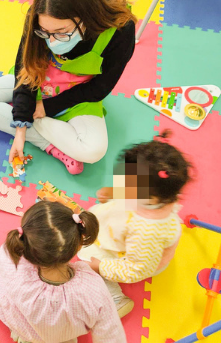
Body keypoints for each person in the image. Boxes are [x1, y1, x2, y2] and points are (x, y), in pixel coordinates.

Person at [0, 0, 137, 175]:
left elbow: (100, 88)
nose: (52, 41)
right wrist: (21, 127)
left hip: (77, 96)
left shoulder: (121, 30)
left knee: (93, 151)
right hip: (37, 81)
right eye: (44, 32)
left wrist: (45, 108)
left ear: (86, 16)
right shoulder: (38, 15)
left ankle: (31, 119)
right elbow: (26, 67)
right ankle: (49, 145)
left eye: (62, 32)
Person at [78, 130, 191, 317]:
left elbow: (136, 269)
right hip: (122, 228)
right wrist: (114, 192)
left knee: (86, 261)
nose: (122, 183)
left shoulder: (148, 230)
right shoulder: (159, 193)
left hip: (134, 257)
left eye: (128, 183)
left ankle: (116, 298)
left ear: (153, 198)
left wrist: (100, 267)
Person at [0, 200, 126, 342]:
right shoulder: (92, 288)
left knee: (2, 286)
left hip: (23, 322)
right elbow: (111, 335)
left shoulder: (12, 261)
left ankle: (23, 335)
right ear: (79, 244)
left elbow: (4, 257)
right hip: (59, 336)